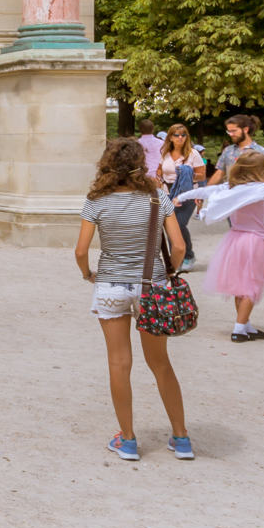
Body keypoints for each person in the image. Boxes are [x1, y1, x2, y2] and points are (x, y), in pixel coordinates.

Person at [75, 138, 193, 461]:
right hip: (151, 285)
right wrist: (169, 271)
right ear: (141, 163)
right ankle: (181, 438)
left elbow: (82, 251)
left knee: (119, 363)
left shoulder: (96, 201)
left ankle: (127, 441)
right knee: (160, 363)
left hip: (111, 284)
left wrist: (88, 274)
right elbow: (179, 245)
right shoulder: (157, 197)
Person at [178, 148, 264, 340]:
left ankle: (245, 326)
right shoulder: (260, 189)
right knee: (251, 285)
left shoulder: (230, 187)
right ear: (260, 171)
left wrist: (181, 197)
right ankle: (238, 329)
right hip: (254, 240)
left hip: (235, 239)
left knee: (240, 285)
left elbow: (205, 190)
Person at [155, 125, 206, 271]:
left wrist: (188, 174)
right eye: (177, 135)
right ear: (170, 137)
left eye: (183, 135)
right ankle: (175, 259)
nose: (180, 138)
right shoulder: (165, 153)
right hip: (167, 193)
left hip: (187, 193)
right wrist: (158, 178)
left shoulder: (193, 153)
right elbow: (160, 168)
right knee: (169, 226)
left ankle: (188, 255)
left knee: (179, 224)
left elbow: (202, 174)